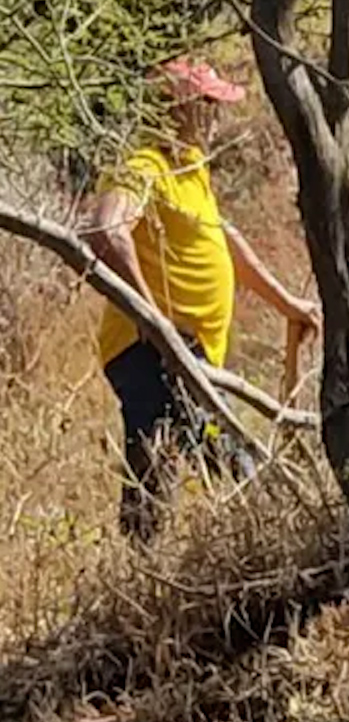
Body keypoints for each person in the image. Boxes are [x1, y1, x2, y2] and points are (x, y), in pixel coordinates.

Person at [83, 58, 321, 542]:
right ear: (180, 108)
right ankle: (268, 543)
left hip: (183, 347)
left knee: (166, 463)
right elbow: (106, 230)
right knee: (217, 456)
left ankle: (145, 568)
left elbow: (223, 241)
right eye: (208, 104)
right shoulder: (144, 166)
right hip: (152, 349)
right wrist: (153, 319)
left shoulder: (190, 168)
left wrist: (288, 306)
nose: (217, 116)